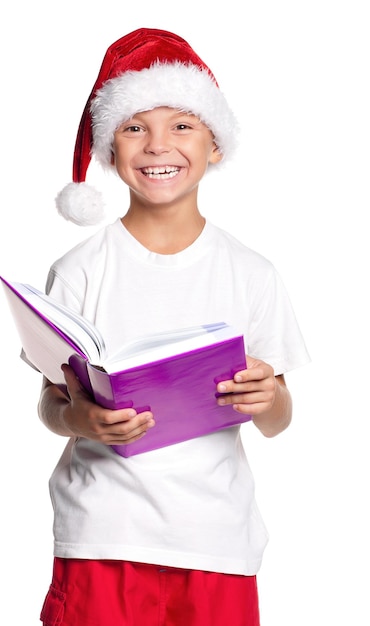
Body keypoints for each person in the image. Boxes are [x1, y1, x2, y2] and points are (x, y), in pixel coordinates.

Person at [37, 28, 310, 626]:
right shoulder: (79, 271)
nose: (158, 144)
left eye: (182, 124)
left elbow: (279, 419)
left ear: (215, 144)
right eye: (135, 126)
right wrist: (79, 418)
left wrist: (267, 397)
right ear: (110, 149)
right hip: (103, 537)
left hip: (216, 541)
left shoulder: (252, 272)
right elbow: (51, 405)